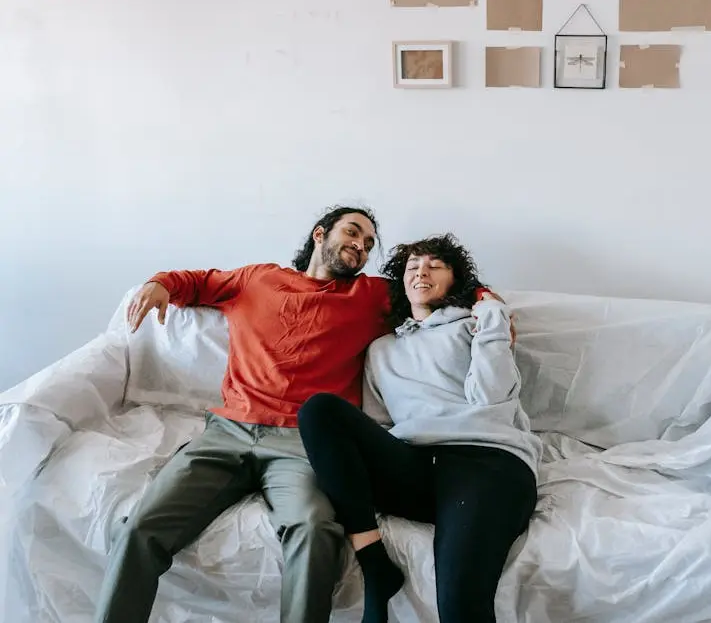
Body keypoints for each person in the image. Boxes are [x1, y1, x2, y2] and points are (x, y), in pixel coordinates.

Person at [94, 206, 499, 623]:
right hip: (227, 432)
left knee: (316, 530)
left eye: (369, 245)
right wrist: (159, 284)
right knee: (139, 528)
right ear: (320, 234)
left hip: (301, 446)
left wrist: (488, 304)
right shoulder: (256, 279)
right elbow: (196, 282)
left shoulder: (372, 296)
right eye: (353, 233)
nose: (361, 246)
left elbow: (440, 285)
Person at [296, 233, 541, 623]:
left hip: (485, 464)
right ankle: (374, 562)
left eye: (434, 265)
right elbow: (379, 425)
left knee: (461, 607)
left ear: (453, 280)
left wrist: (493, 313)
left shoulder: (471, 327)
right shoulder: (382, 350)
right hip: (414, 466)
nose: (421, 272)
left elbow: (493, 398)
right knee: (319, 410)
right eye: (412, 266)